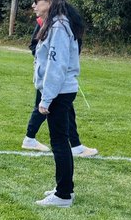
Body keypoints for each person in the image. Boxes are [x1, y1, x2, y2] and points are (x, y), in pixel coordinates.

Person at [31, 0, 82, 207]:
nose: (33, 5)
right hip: (59, 91)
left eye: (36, 1)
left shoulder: (59, 26)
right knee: (61, 140)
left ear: (49, 2)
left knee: (60, 142)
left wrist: (46, 98)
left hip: (60, 92)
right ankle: (65, 189)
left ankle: (63, 195)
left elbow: (56, 66)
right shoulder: (55, 24)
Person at [22, 15, 97, 156]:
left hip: (59, 77)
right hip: (49, 75)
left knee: (65, 109)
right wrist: (47, 63)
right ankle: (30, 138)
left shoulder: (67, 22)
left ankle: (75, 145)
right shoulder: (48, 22)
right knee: (43, 106)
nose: (34, 5)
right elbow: (35, 46)